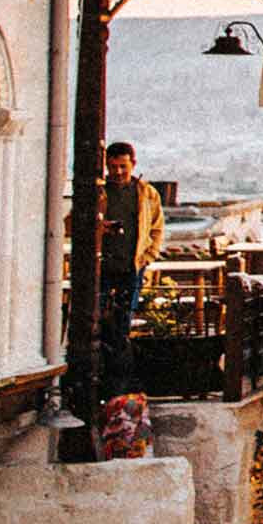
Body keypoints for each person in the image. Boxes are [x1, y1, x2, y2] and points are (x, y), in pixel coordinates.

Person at [96, 141, 165, 396]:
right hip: (103, 267)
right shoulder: (99, 192)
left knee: (124, 321)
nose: (117, 172)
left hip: (131, 266)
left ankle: (121, 380)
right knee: (99, 321)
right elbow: (73, 223)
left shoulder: (147, 194)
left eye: (122, 167)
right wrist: (99, 228)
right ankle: (104, 376)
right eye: (113, 167)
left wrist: (149, 256)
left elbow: (157, 228)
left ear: (132, 165)